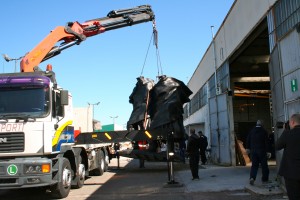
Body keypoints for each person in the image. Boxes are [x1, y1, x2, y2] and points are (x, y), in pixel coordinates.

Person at [275, 114, 300, 200]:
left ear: (292, 122)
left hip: (291, 173)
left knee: (294, 196)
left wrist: (285, 131)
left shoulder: (287, 134)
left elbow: (277, 146)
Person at [246, 120, 271, 185]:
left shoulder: (252, 131)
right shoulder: (264, 131)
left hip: (253, 151)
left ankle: (252, 178)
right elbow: (267, 142)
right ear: (262, 125)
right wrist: (268, 151)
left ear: (256, 124)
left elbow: (248, 139)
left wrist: (248, 148)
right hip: (262, 151)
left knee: (254, 165)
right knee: (264, 166)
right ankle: (265, 179)